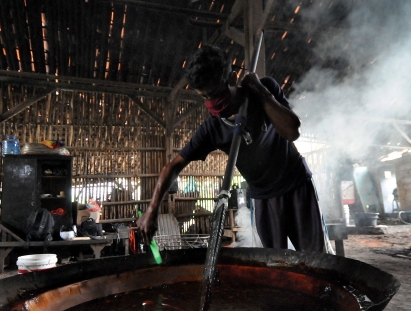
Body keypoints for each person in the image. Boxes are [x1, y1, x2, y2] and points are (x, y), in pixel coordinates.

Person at [137, 45, 333, 253]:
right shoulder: (212, 129)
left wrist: (261, 91)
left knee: (316, 258)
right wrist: (152, 210)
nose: (212, 103)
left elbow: (292, 131)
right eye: (205, 97)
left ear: (231, 79)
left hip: (296, 186)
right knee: (274, 264)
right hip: (263, 198)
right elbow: (174, 165)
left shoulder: (264, 91)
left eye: (215, 93)